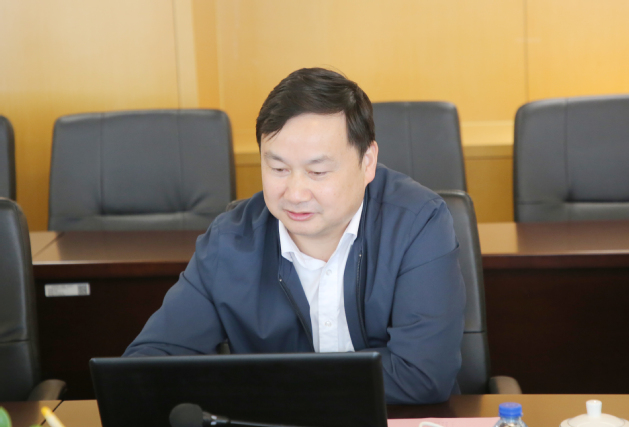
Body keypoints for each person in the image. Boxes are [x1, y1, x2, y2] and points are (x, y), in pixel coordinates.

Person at [124, 67, 466, 404]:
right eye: (278, 169)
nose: (295, 193)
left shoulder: (418, 223)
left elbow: (423, 374)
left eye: (317, 171)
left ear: (367, 162)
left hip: (401, 426)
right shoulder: (229, 241)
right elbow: (148, 364)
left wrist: (268, 383)